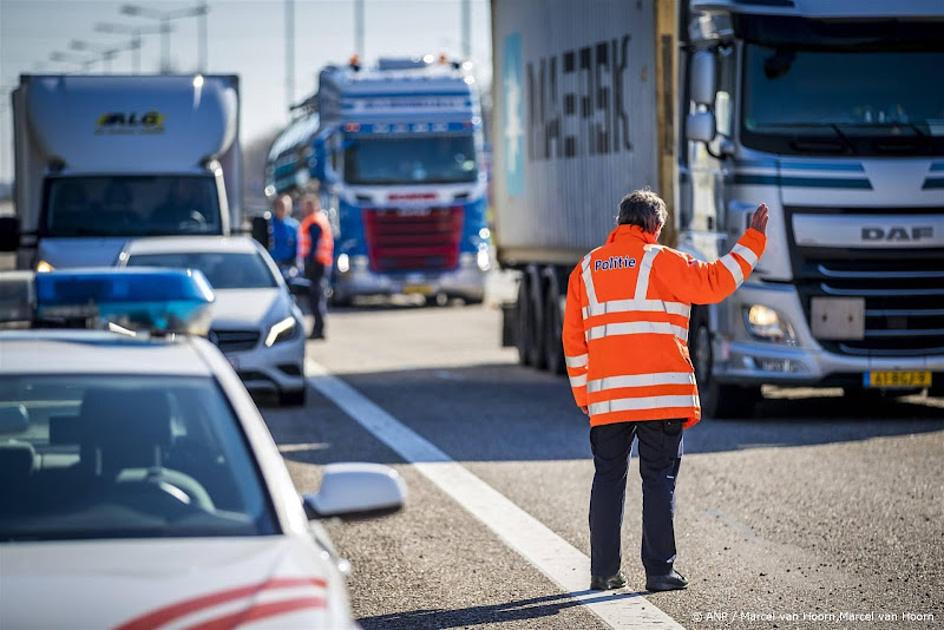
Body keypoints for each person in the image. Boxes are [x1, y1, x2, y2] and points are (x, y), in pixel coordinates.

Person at [562, 189, 768, 592]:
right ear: (655, 226)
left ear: (621, 222)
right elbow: (716, 282)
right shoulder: (664, 261)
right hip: (661, 397)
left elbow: (574, 340)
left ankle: (603, 572)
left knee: (608, 478)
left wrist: (586, 395)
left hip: (608, 397)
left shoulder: (585, 270)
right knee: (658, 480)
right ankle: (659, 572)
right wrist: (753, 241)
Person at [297, 194, 334, 340]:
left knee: (316, 298)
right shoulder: (319, 219)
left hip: (316, 264)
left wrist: (309, 263)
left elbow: (313, 245)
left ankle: (318, 329)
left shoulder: (314, 222)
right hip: (321, 263)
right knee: (318, 297)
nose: (305, 208)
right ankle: (319, 328)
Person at [269, 195, 299, 267]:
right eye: (279, 205)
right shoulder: (269, 224)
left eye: (284, 206)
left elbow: (297, 247)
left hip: (288, 264)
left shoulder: (294, 226)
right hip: (271, 263)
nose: (281, 208)